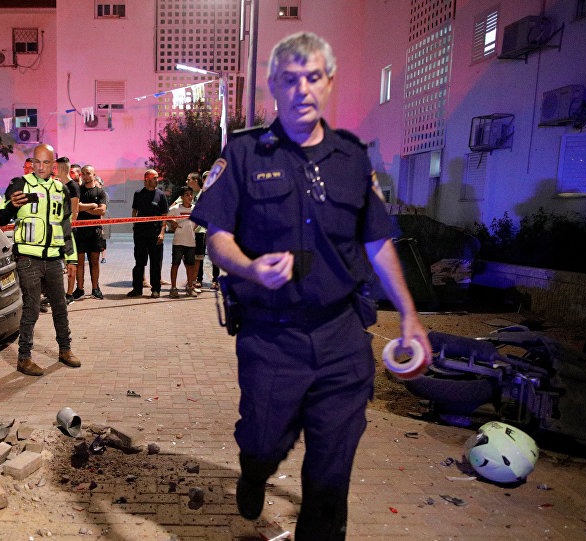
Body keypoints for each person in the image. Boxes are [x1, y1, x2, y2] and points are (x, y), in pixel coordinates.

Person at [190, 32, 431, 539]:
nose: (302, 90)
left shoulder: (352, 159)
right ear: (274, 86)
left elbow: (378, 242)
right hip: (270, 336)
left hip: (341, 336)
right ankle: (254, 470)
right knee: (263, 440)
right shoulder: (244, 154)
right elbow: (217, 239)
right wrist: (252, 268)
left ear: (328, 83)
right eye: (291, 79)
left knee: (329, 476)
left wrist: (409, 314)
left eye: (313, 78)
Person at [0, 143, 80, 377]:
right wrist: (11, 206)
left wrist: (71, 258)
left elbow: (65, 226)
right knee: (31, 308)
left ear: (54, 165)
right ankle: (24, 358)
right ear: (32, 163)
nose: (40, 167)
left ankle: (65, 350)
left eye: (46, 162)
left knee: (60, 306)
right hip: (28, 259)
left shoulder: (61, 190)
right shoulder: (20, 184)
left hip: (54, 259)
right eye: (37, 162)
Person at [127, 169, 168, 298]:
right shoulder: (138, 194)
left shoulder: (161, 195)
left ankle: (156, 289)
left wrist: (162, 233)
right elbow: (134, 211)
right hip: (140, 235)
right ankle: (137, 289)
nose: (157, 180)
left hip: (155, 235)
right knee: (139, 263)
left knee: (155, 263)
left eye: (157, 177)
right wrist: (135, 225)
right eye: (155, 177)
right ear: (147, 179)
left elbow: (164, 216)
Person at [73, 164, 108, 300]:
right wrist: (92, 206)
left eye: (88, 173)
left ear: (94, 174)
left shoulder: (100, 192)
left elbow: (102, 210)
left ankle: (95, 288)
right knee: (79, 262)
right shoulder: (78, 190)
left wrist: (84, 208)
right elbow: (75, 206)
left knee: (95, 262)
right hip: (80, 231)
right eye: (83, 173)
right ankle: (80, 289)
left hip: (95, 231)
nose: (85, 176)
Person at [167, 187, 197, 298]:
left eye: (191, 194)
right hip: (178, 242)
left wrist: (193, 228)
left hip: (191, 242)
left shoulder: (195, 209)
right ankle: (173, 288)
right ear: (181, 197)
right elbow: (165, 217)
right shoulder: (175, 208)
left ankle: (190, 287)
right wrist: (172, 222)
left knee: (190, 266)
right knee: (175, 264)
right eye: (187, 195)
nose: (190, 197)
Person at [57, 158, 80, 304]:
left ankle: (69, 294)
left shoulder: (73, 186)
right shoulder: (57, 185)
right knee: (57, 264)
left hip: (68, 231)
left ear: (61, 169)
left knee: (71, 263)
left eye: (55, 168)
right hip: (57, 231)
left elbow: (75, 210)